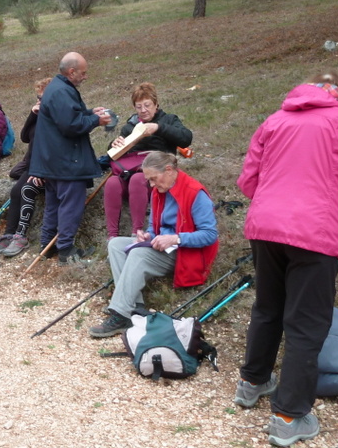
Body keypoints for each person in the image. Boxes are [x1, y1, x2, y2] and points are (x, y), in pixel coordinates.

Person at [234, 72, 338, 447]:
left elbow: (248, 183)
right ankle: (288, 416)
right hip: (313, 232)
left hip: (265, 226)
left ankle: (252, 382)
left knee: (268, 307)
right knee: (307, 323)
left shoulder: (275, 120)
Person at [89, 152, 219, 338]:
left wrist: (176, 238)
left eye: (153, 179)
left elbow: (210, 235)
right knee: (116, 244)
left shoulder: (194, 193)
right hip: (163, 248)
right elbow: (155, 226)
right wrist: (148, 235)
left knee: (138, 255)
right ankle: (135, 306)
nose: (151, 185)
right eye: (148, 180)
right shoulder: (160, 190)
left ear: (168, 170)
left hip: (186, 255)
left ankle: (121, 314)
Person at [29, 52, 112, 265]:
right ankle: (65, 250)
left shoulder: (57, 88)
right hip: (66, 162)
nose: (85, 77)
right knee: (70, 206)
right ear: (71, 71)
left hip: (52, 161)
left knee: (53, 206)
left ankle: (46, 248)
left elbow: (69, 115)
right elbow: (71, 126)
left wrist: (89, 112)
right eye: (83, 73)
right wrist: (96, 120)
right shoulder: (62, 91)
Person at [103, 82, 193, 239]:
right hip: (131, 170)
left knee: (138, 179)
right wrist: (114, 144)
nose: (143, 110)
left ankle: (135, 233)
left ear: (156, 104)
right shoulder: (130, 126)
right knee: (112, 183)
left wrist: (158, 128)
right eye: (139, 107)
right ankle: (112, 237)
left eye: (147, 105)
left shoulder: (168, 120)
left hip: (155, 174)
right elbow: (113, 155)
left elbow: (186, 138)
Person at [0, 78, 51, 257]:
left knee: (22, 189)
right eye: (38, 97)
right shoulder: (38, 115)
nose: (39, 101)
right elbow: (25, 137)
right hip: (32, 164)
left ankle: (20, 235)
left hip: (44, 167)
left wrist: (41, 171)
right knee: (15, 190)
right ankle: (9, 234)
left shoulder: (55, 118)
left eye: (43, 98)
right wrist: (32, 114)